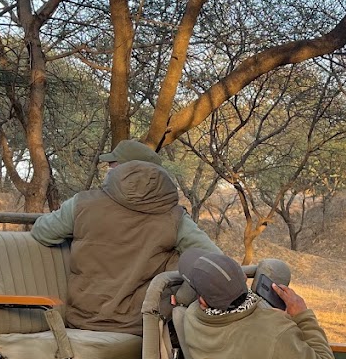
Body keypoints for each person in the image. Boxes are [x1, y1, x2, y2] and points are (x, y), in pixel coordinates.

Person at [31, 140, 220, 335]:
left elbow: (42, 232)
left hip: (83, 319)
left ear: (127, 169)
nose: (108, 169)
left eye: (112, 165)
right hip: (147, 325)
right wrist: (182, 291)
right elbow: (213, 260)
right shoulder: (173, 217)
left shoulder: (83, 204)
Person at [174, 250, 336, 359]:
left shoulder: (190, 318)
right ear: (244, 278)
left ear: (203, 301)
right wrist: (302, 317)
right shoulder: (275, 337)